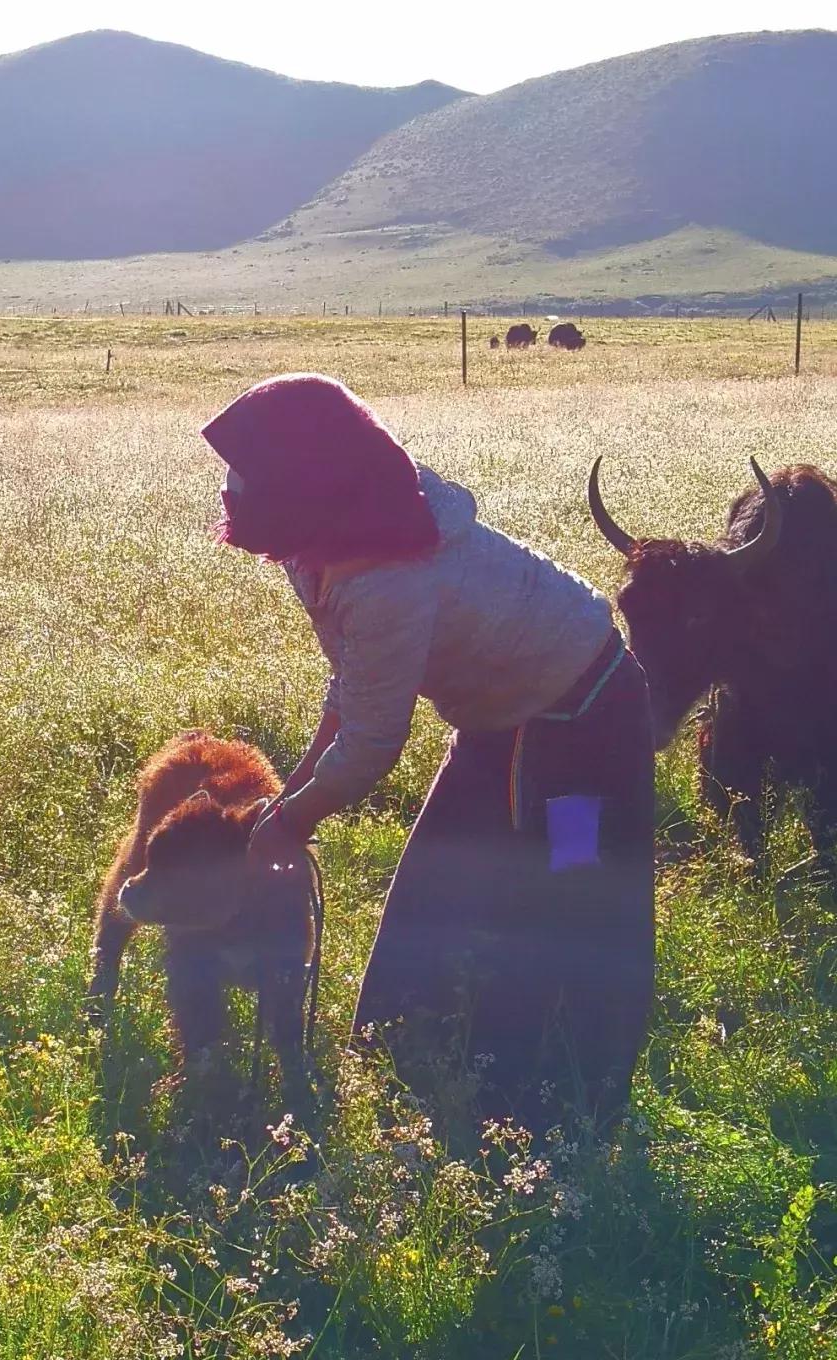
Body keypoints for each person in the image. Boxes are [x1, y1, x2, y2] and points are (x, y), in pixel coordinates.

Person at [201, 372, 654, 1132]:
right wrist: (293, 798)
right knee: (435, 882)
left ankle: (558, 1098)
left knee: (571, 890)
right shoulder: (318, 543)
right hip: (495, 722)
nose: (230, 491)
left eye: (245, 474)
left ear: (300, 478)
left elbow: (375, 742)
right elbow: (351, 685)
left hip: (585, 729)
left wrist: (292, 821)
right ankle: (402, 1062)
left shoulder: (386, 579)